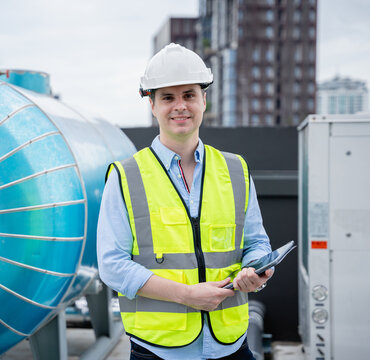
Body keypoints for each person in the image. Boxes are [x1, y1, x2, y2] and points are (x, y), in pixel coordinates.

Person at [97, 43, 273, 360]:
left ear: (204, 100)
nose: (180, 106)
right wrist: (187, 295)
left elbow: (257, 242)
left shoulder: (236, 170)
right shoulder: (125, 177)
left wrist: (256, 271)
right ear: (152, 104)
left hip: (232, 345)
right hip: (159, 350)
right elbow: (111, 266)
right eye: (168, 97)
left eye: (189, 95)